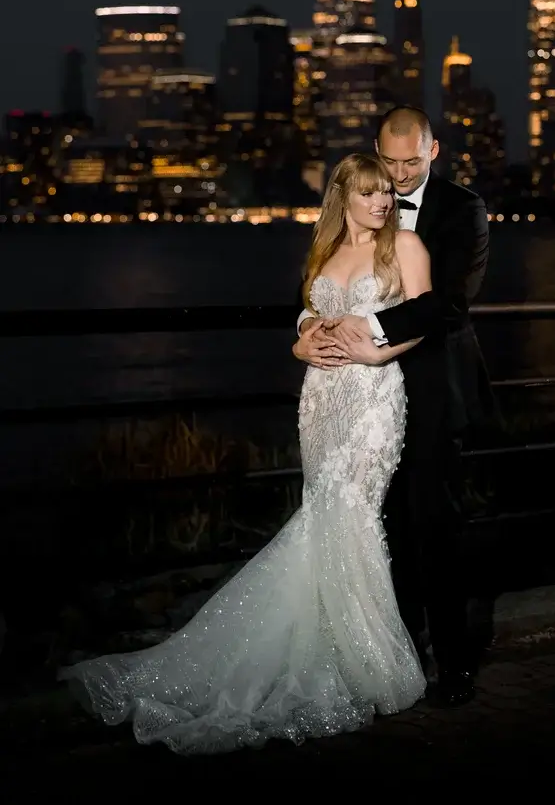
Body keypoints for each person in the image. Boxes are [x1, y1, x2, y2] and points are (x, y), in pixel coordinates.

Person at [59, 153, 431, 755]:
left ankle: (364, 659)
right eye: (368, 192)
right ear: (343, 196)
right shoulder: (325, 250)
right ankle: (325, 647)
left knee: (354, 512)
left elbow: (424, 317)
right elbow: (310, 313)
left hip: (373, 401)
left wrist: (377, 354)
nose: (382, 202)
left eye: (386, 191)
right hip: (321, 399)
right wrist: (300, 343)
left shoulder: (404, 247)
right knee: (322, 514)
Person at [295, 107, 495, 706]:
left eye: (412, 162)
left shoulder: (462, 209)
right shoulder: (355, 215)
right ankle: (392, 655)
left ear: (433, 151)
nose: (401, 176)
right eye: (390, 162)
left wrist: (371, 335)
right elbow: (315, 291)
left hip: (429, 388)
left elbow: (449, 303)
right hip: (351, 399)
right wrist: (304, 335)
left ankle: (454, 665)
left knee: (434, 524)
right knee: (378, 528)